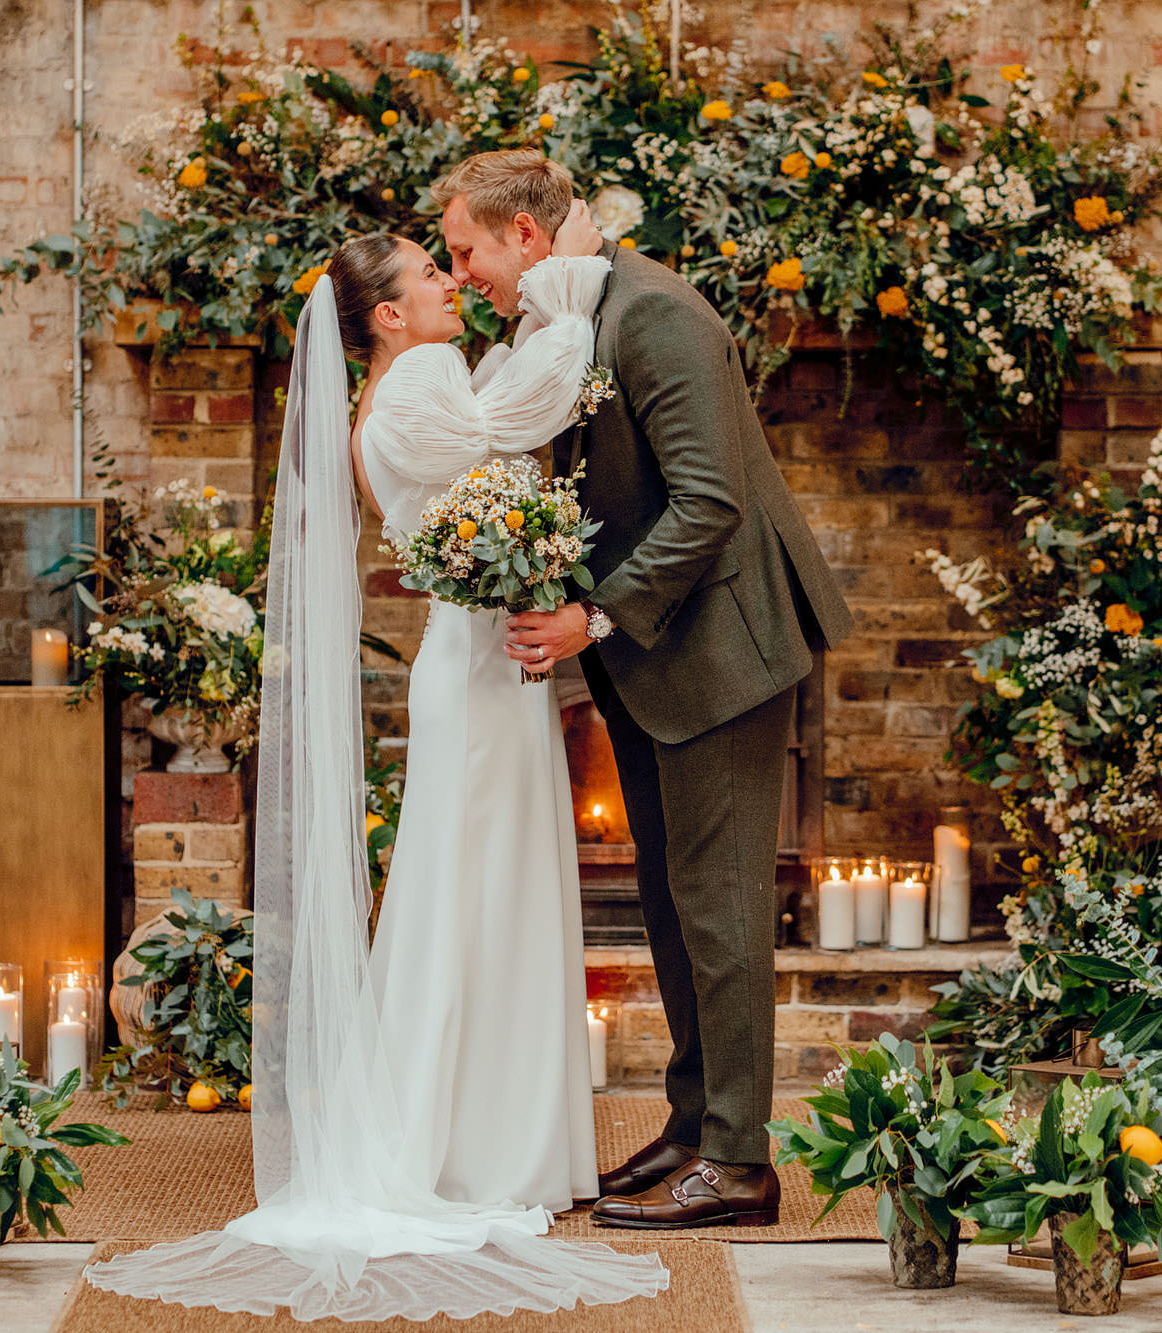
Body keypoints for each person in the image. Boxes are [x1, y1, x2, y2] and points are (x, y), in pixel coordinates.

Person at [82, 198, 669, 1319]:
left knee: (483, 893)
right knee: (473, 898)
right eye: (429, 276)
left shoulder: (397, 392)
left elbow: (501, 418)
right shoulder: (417, 387)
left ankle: (498, 1144)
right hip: (478, 674)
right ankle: (471, 1152)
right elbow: (533, 402)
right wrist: (569, 286)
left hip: (481, 662)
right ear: (389, 316)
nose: (451, 283)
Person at [436, 148, 856, 1229]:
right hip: (651, 658)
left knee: (721, 906)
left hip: (721, 650)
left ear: (524, 235)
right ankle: (694, 1125)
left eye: (467, 253)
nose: (461, 276)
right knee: (674, 903)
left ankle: (742, 1162)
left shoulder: (655, 312)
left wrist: (592, 616)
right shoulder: (576, 312)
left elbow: (709, 498)